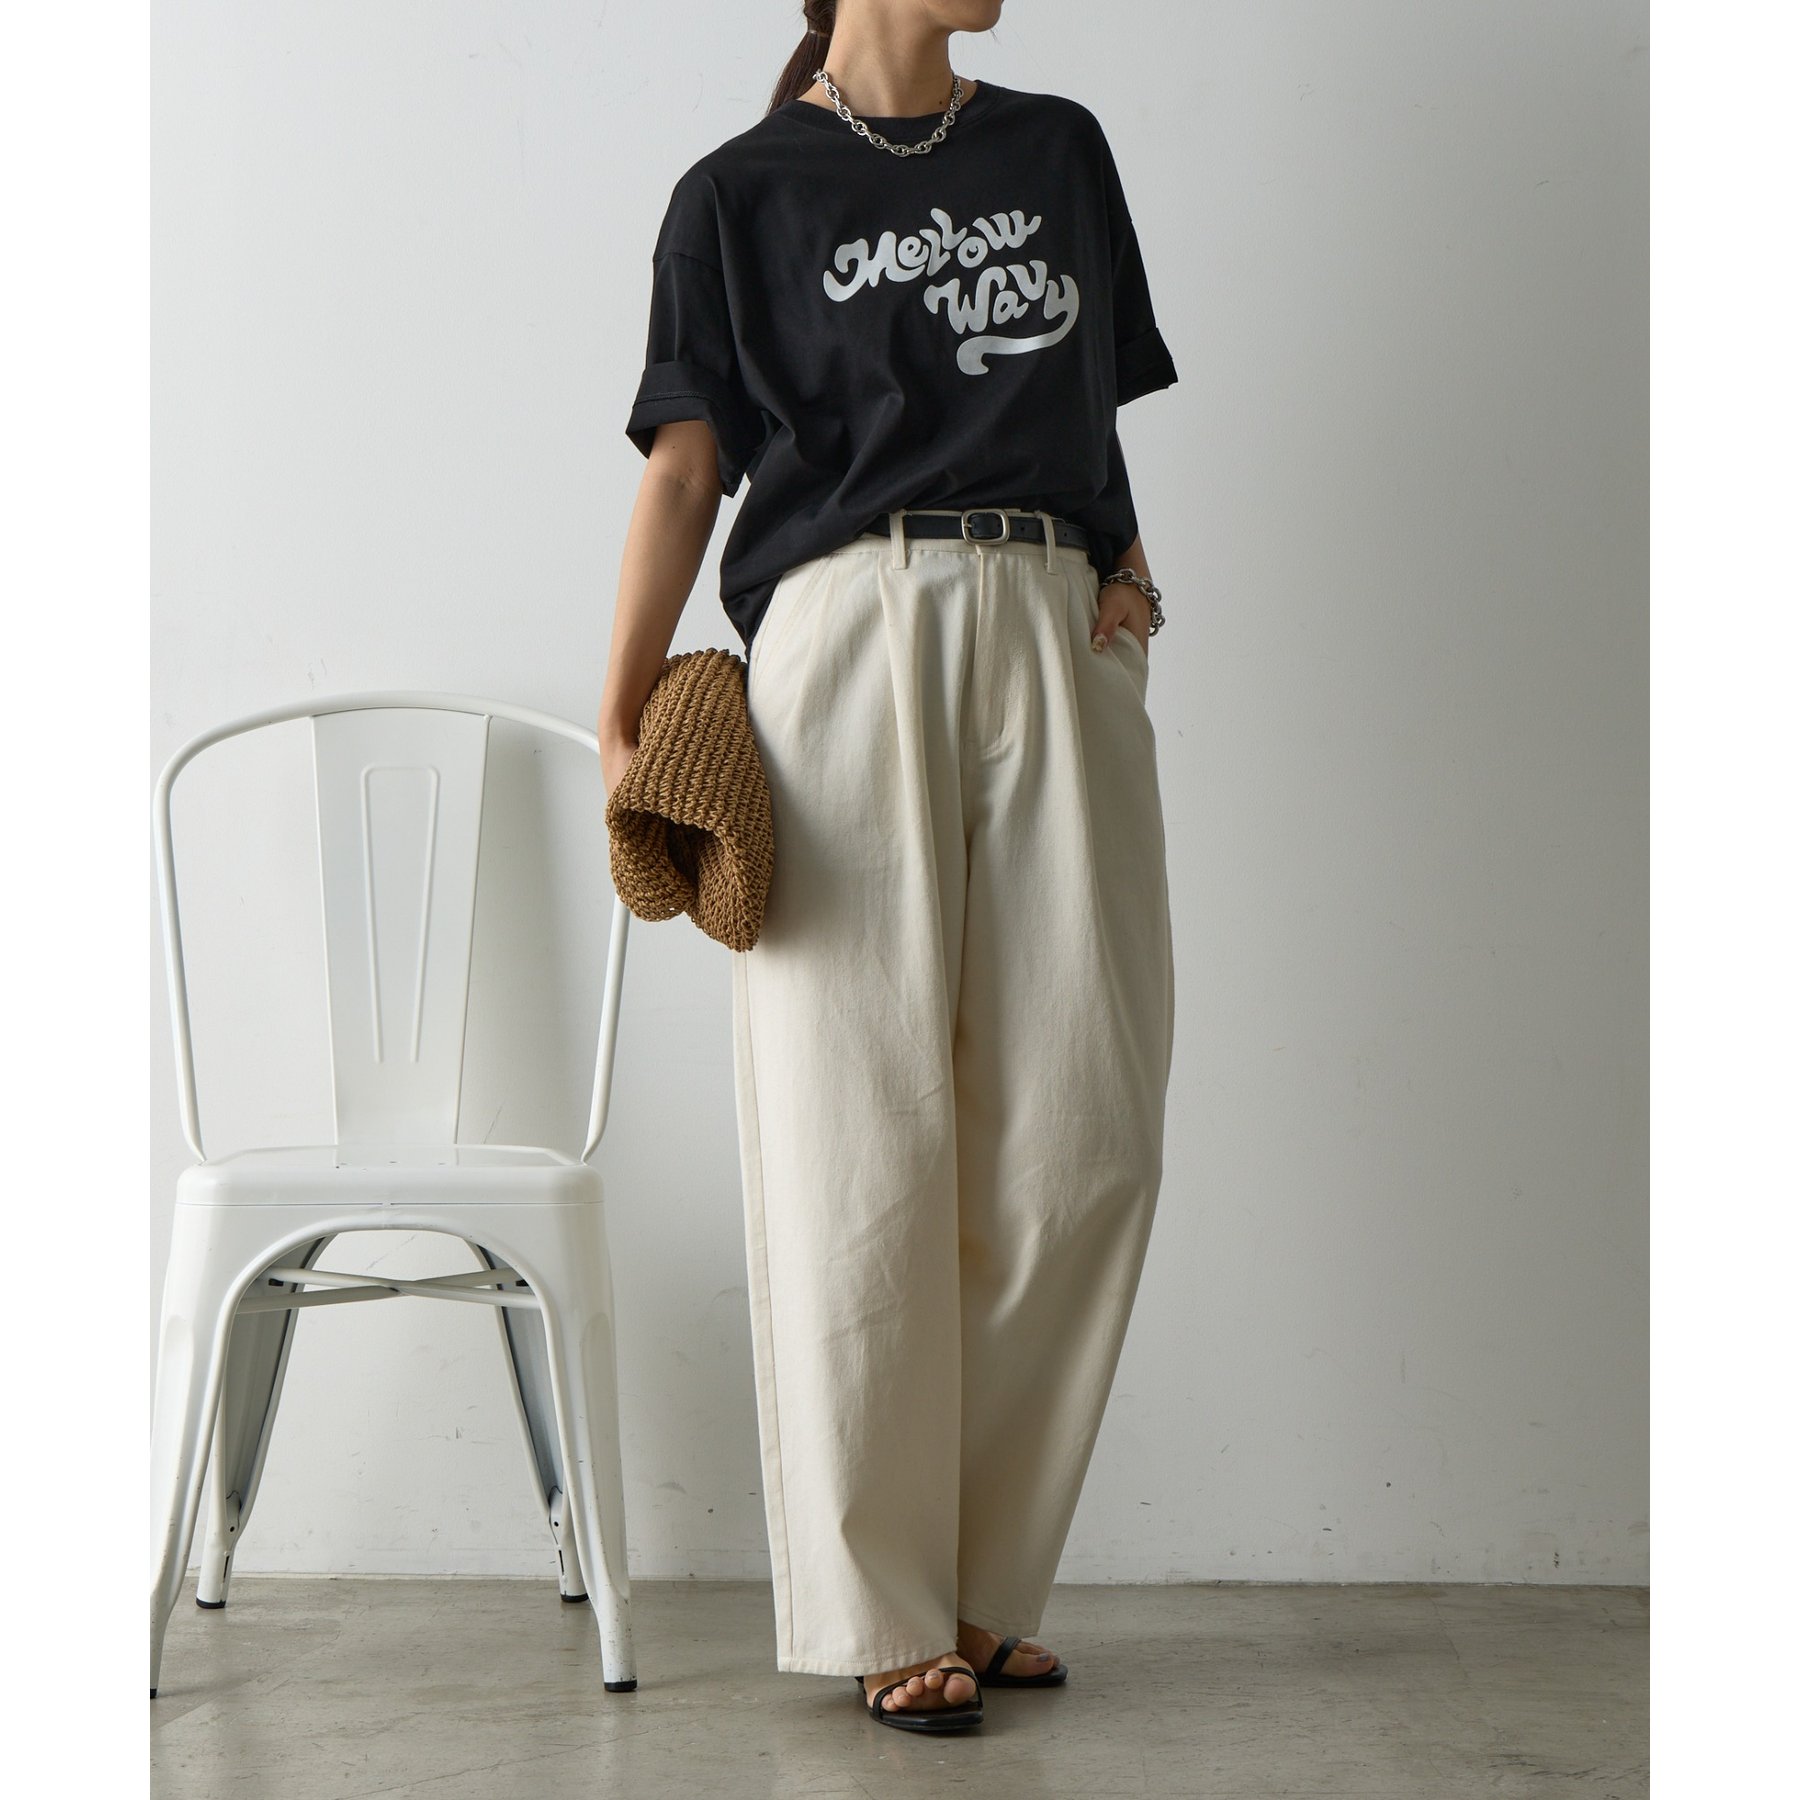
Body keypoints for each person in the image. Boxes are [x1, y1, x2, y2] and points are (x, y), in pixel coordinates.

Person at [599, 0, 1178, 1736]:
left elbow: (1082, 399)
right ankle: (880, 1608)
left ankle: (983, 1582)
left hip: (1052, 620)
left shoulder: (1057, 148)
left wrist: (1128, 568)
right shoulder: (736, 194)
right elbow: (689, 469)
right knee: (856, 1133)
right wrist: (619, 705)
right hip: (846, 633)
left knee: (1088, 1129)